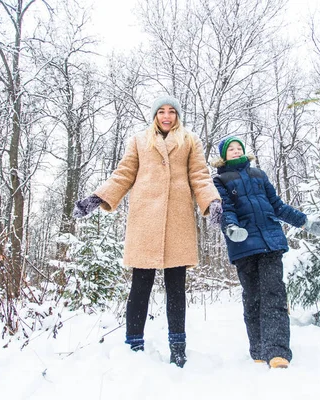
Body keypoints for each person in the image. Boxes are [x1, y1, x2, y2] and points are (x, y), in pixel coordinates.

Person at [73, 96, 222, 368]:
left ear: (177, 115)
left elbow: (199, 175)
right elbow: (124, 173)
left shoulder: (190, 140)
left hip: (177, 222)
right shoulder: (139, 140)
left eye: (172, 111)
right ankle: (133, 344)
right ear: (155, 115)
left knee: (176, 288)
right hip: (145, 221)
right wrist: (97, 198)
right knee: (140, 286)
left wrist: (212, 203)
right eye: (161, 111)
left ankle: (178, 347)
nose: (166, 116)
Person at [210, 136, 320, 369]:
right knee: (252, 297)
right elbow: (226, 208)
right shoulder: (220, 180)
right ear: (223, 155)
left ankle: (277, 352)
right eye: (230, 149)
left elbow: (278, 206)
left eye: (238, 148)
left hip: (271, 242)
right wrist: (231, 228)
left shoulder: (258, 175)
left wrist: (305, 222)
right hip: (244, 245)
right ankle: (259, 349)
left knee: (274, 294)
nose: (235, 151)